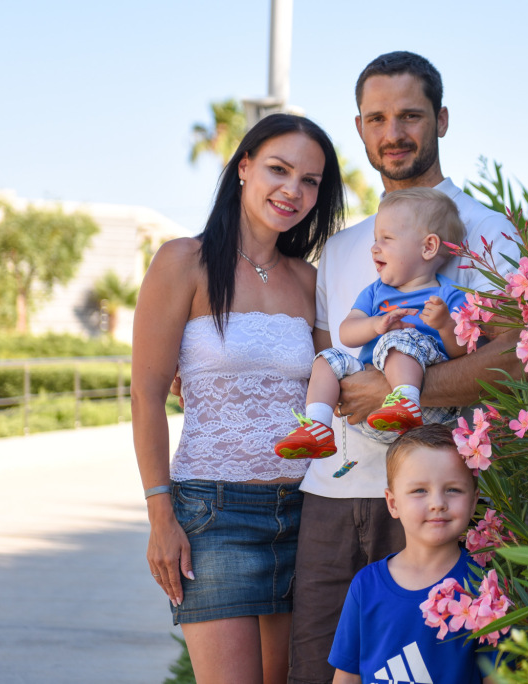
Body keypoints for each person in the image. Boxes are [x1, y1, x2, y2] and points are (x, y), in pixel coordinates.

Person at [288, 51, 522, 684]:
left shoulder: (486, 231)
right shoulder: (339, 247)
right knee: (316, 671)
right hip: (331, 498)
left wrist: (397, 390)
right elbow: (323, 357)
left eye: (411, 115)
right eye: (377, 118)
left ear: (442, 120)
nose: (394, 133)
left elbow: (519, 359)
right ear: (360, 128)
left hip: (432, 500)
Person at [132, 113, 344, 684]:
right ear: (244, 167)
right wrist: (160, 515)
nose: (293, 190)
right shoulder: (184, 262)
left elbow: (337, 381)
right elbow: (147, 395)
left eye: (310, 180)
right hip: (214, 513)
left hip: (305, 510)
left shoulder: (309, 279)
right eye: (279, 169)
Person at [273, 187, 470, 462]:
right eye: (375, 239)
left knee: (400, 340)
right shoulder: (376, 291)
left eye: (387, 239)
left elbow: (464, 351)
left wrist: (445, 325)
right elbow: (347, 333)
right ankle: (317, 426)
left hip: (428, 410)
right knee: (326, 360)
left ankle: (405, 401)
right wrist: (375, 324)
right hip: (371, 412)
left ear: (428, 247)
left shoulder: (449, 296)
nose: (374, 247)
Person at [328, 424, 497, 684]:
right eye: (420, 490)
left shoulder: (484, 588)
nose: (437, 503)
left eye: (453, 489)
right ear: (393, 503)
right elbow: (347, 676)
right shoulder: (366, 585)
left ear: (474, 501)